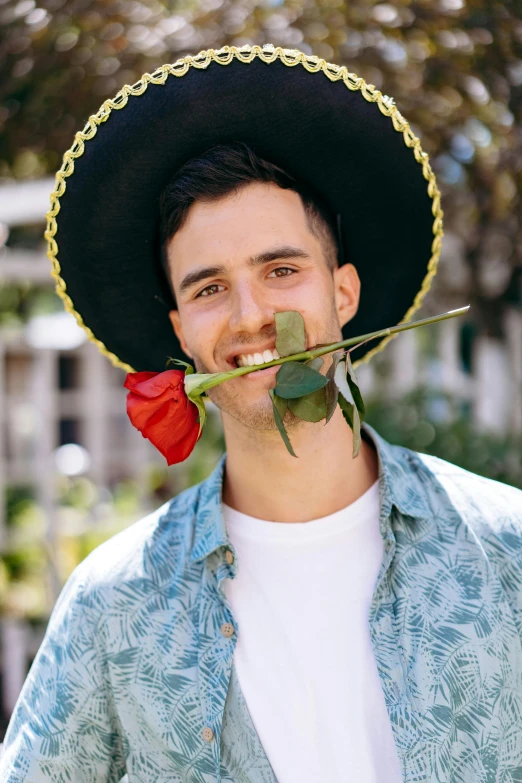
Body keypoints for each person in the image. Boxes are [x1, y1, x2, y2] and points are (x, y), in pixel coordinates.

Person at [2, 45, 522, 783]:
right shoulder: (114, 605)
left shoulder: (507, 556)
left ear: (343, 295)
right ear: (181, 331)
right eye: (210, 287)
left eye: (282, 271)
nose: (252, 317)